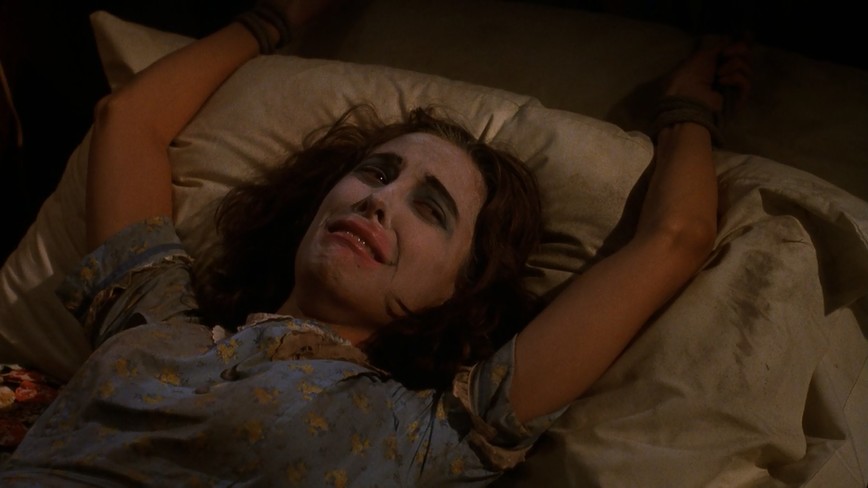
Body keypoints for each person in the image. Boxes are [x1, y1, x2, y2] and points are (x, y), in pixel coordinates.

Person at [0, 0, 750, 485]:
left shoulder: (428, 434)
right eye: (375, 174)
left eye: (430, 209)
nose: (379, 201)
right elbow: (128, 119)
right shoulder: (155, 316)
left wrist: (687, 110)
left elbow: (674, 239)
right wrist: (281, 15)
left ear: (458, 289)